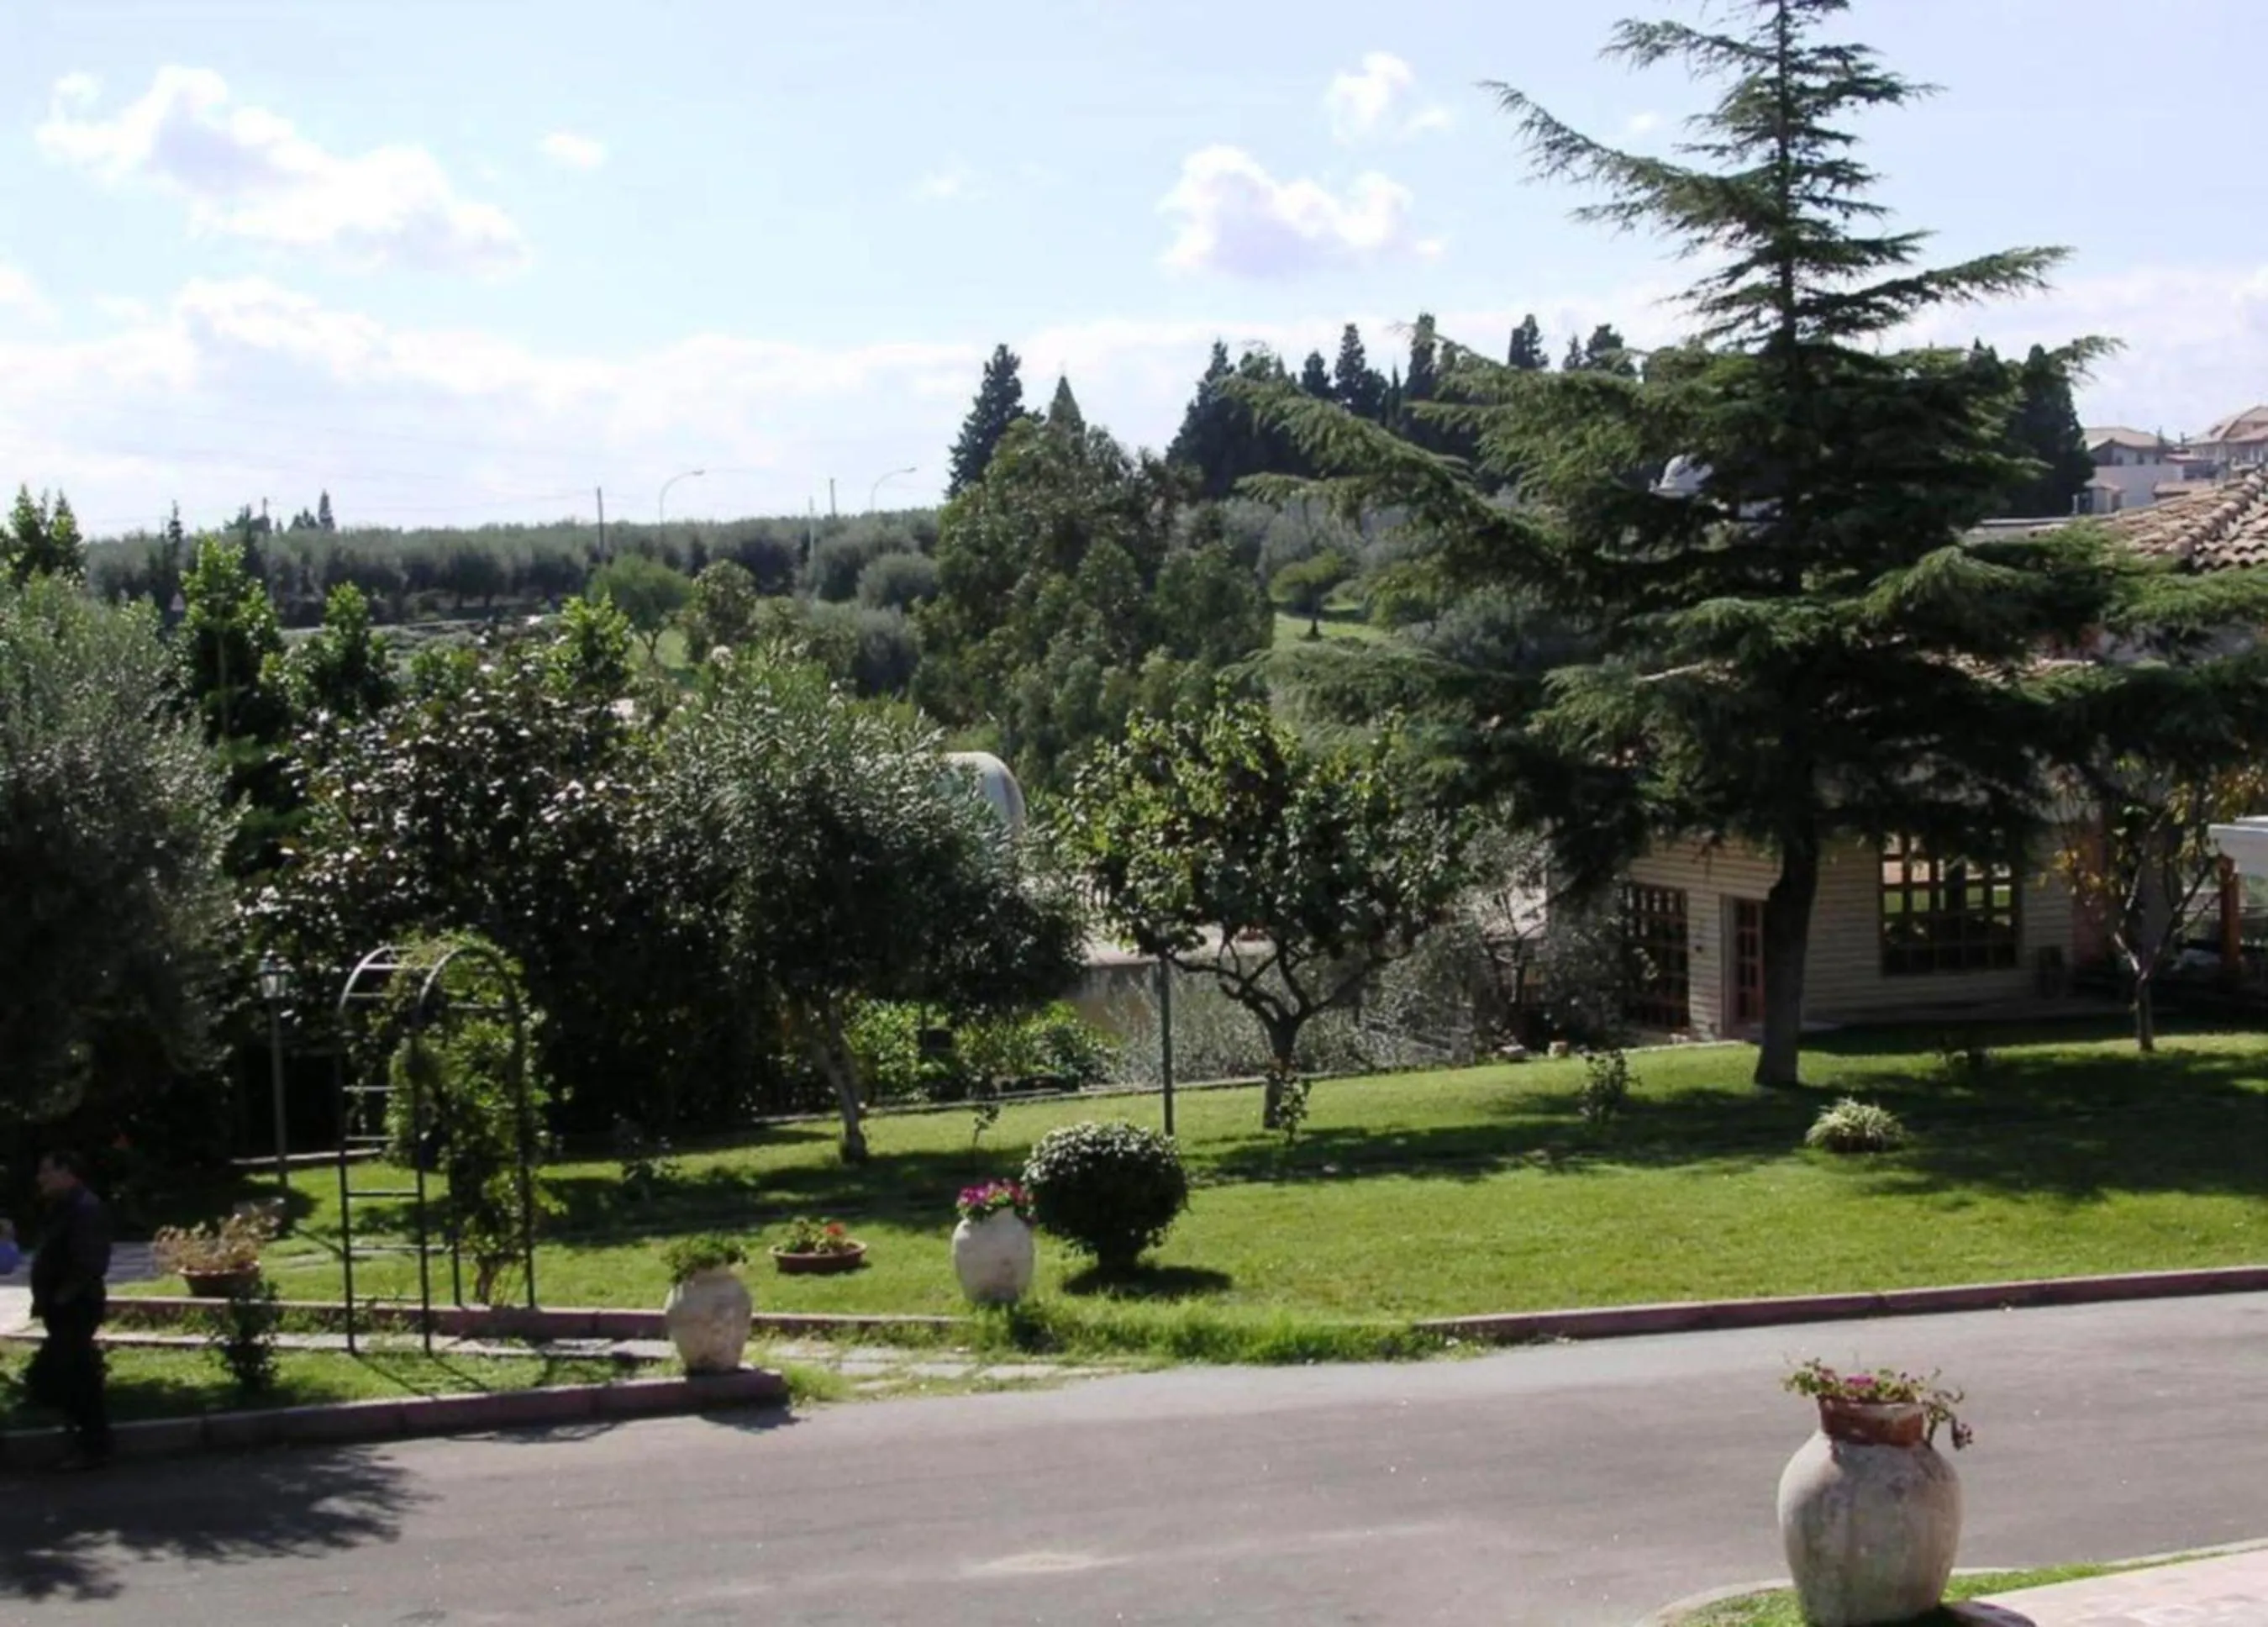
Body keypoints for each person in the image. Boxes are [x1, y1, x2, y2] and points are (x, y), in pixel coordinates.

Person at [28, 1150, 113, 1469]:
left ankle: (94, 1446)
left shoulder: (85, 1208)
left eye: (46, 1172)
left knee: (76, 1375)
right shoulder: (61, 1207)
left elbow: (91, 1263)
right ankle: (87, 1440)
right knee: (73, 1373)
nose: (41, 1179)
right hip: (60, 1306)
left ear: (67, 1172)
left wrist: (63, 1297)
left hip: (77, 1306)